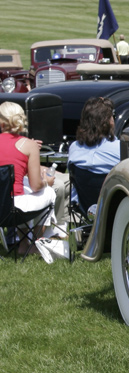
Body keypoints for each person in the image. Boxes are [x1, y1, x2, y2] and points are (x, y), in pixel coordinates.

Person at [0, 101, 69, 259]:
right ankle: (34, 243)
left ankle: (25, 243)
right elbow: (36, 185)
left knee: (23, 190)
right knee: (48, 192)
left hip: (3, 205)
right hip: (13, 207)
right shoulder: (29, 145)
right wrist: (47, 182)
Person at [68, 97, 120, 177]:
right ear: (109, 121)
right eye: (112, 115)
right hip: (108, 188)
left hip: (81, 189)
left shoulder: (74, 147)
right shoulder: (120, 149)